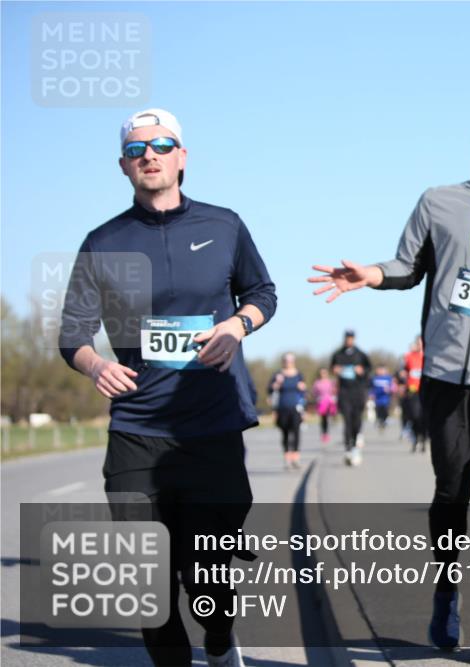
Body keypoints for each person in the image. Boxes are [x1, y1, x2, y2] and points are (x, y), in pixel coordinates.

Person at [309, 107, 470, 662]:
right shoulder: (440, 201)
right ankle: (446, 588)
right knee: (451, 490)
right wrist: (371, 274)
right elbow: (407, 266)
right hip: (444, 373)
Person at [58, 108, 277, 667]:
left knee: (205, 576)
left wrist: (236, 325)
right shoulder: (103, 241)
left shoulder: (224, 225)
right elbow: (73, 334)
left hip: (211, 428)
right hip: (136, 429)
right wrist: (92, 364)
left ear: (182, 156)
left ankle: (221, 640)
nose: (149, 155)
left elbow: (263, 293)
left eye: (161, 145)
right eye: (137, 150)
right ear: (123, 166)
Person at [330, 329, 371, 466]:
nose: (349, 340)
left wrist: (362, 371)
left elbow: (368, 370)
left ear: (354, 339)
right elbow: (332, 368)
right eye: (347, 338)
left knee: (356, 420)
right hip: (344, 392)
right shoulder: (338, 354)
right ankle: (348, 449)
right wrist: (335, 370)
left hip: (358, 392)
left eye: (351, 338)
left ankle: (355, 444)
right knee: (346, 420)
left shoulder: (361, 354)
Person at [270, 353, 306, 469]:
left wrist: (303, 388)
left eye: (290, 360)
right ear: (283, 361)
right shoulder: (278, 374)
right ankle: (287, 458)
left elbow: (304, 394)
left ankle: (296, 458)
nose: (288, 362)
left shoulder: (299, 375)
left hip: (296, 408)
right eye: (286, 360)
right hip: (282, 408)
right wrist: (277, 384)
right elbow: (270, 390)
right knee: (285, 433)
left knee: (296, 432)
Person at [402, 336, 428, 452]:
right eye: (418, 342)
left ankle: (423, 438)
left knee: (423, 417)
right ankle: (415, 437)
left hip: (426, 391)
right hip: (413, 391)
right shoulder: (409, 356)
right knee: (414, 415)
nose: (420, 345)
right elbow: (403, 371)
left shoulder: (429, 357)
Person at [312, 367, 338, 443]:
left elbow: (335, 391)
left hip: (330, 401)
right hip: (321, 402)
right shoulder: (317, 383)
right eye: (322, 373)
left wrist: (334, 397)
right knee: (324, 418)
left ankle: (333, 420)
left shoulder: (331, 382)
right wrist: (317, 398)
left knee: (330, 415)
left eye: (324, 373)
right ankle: (325, 433)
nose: (323, 374)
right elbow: (314, 392)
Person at [369, 365, 396, 431]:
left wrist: (390, 389)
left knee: (385, 410)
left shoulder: (388, 378)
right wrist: (371, 394)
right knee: (378, 411)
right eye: (379, 370)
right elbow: (371, 388)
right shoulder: (374, 378)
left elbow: (393, 387)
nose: (380, 371)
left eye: (382, 370)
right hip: (377, 399)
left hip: (385, 399)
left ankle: (384, 421)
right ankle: (380, 422)